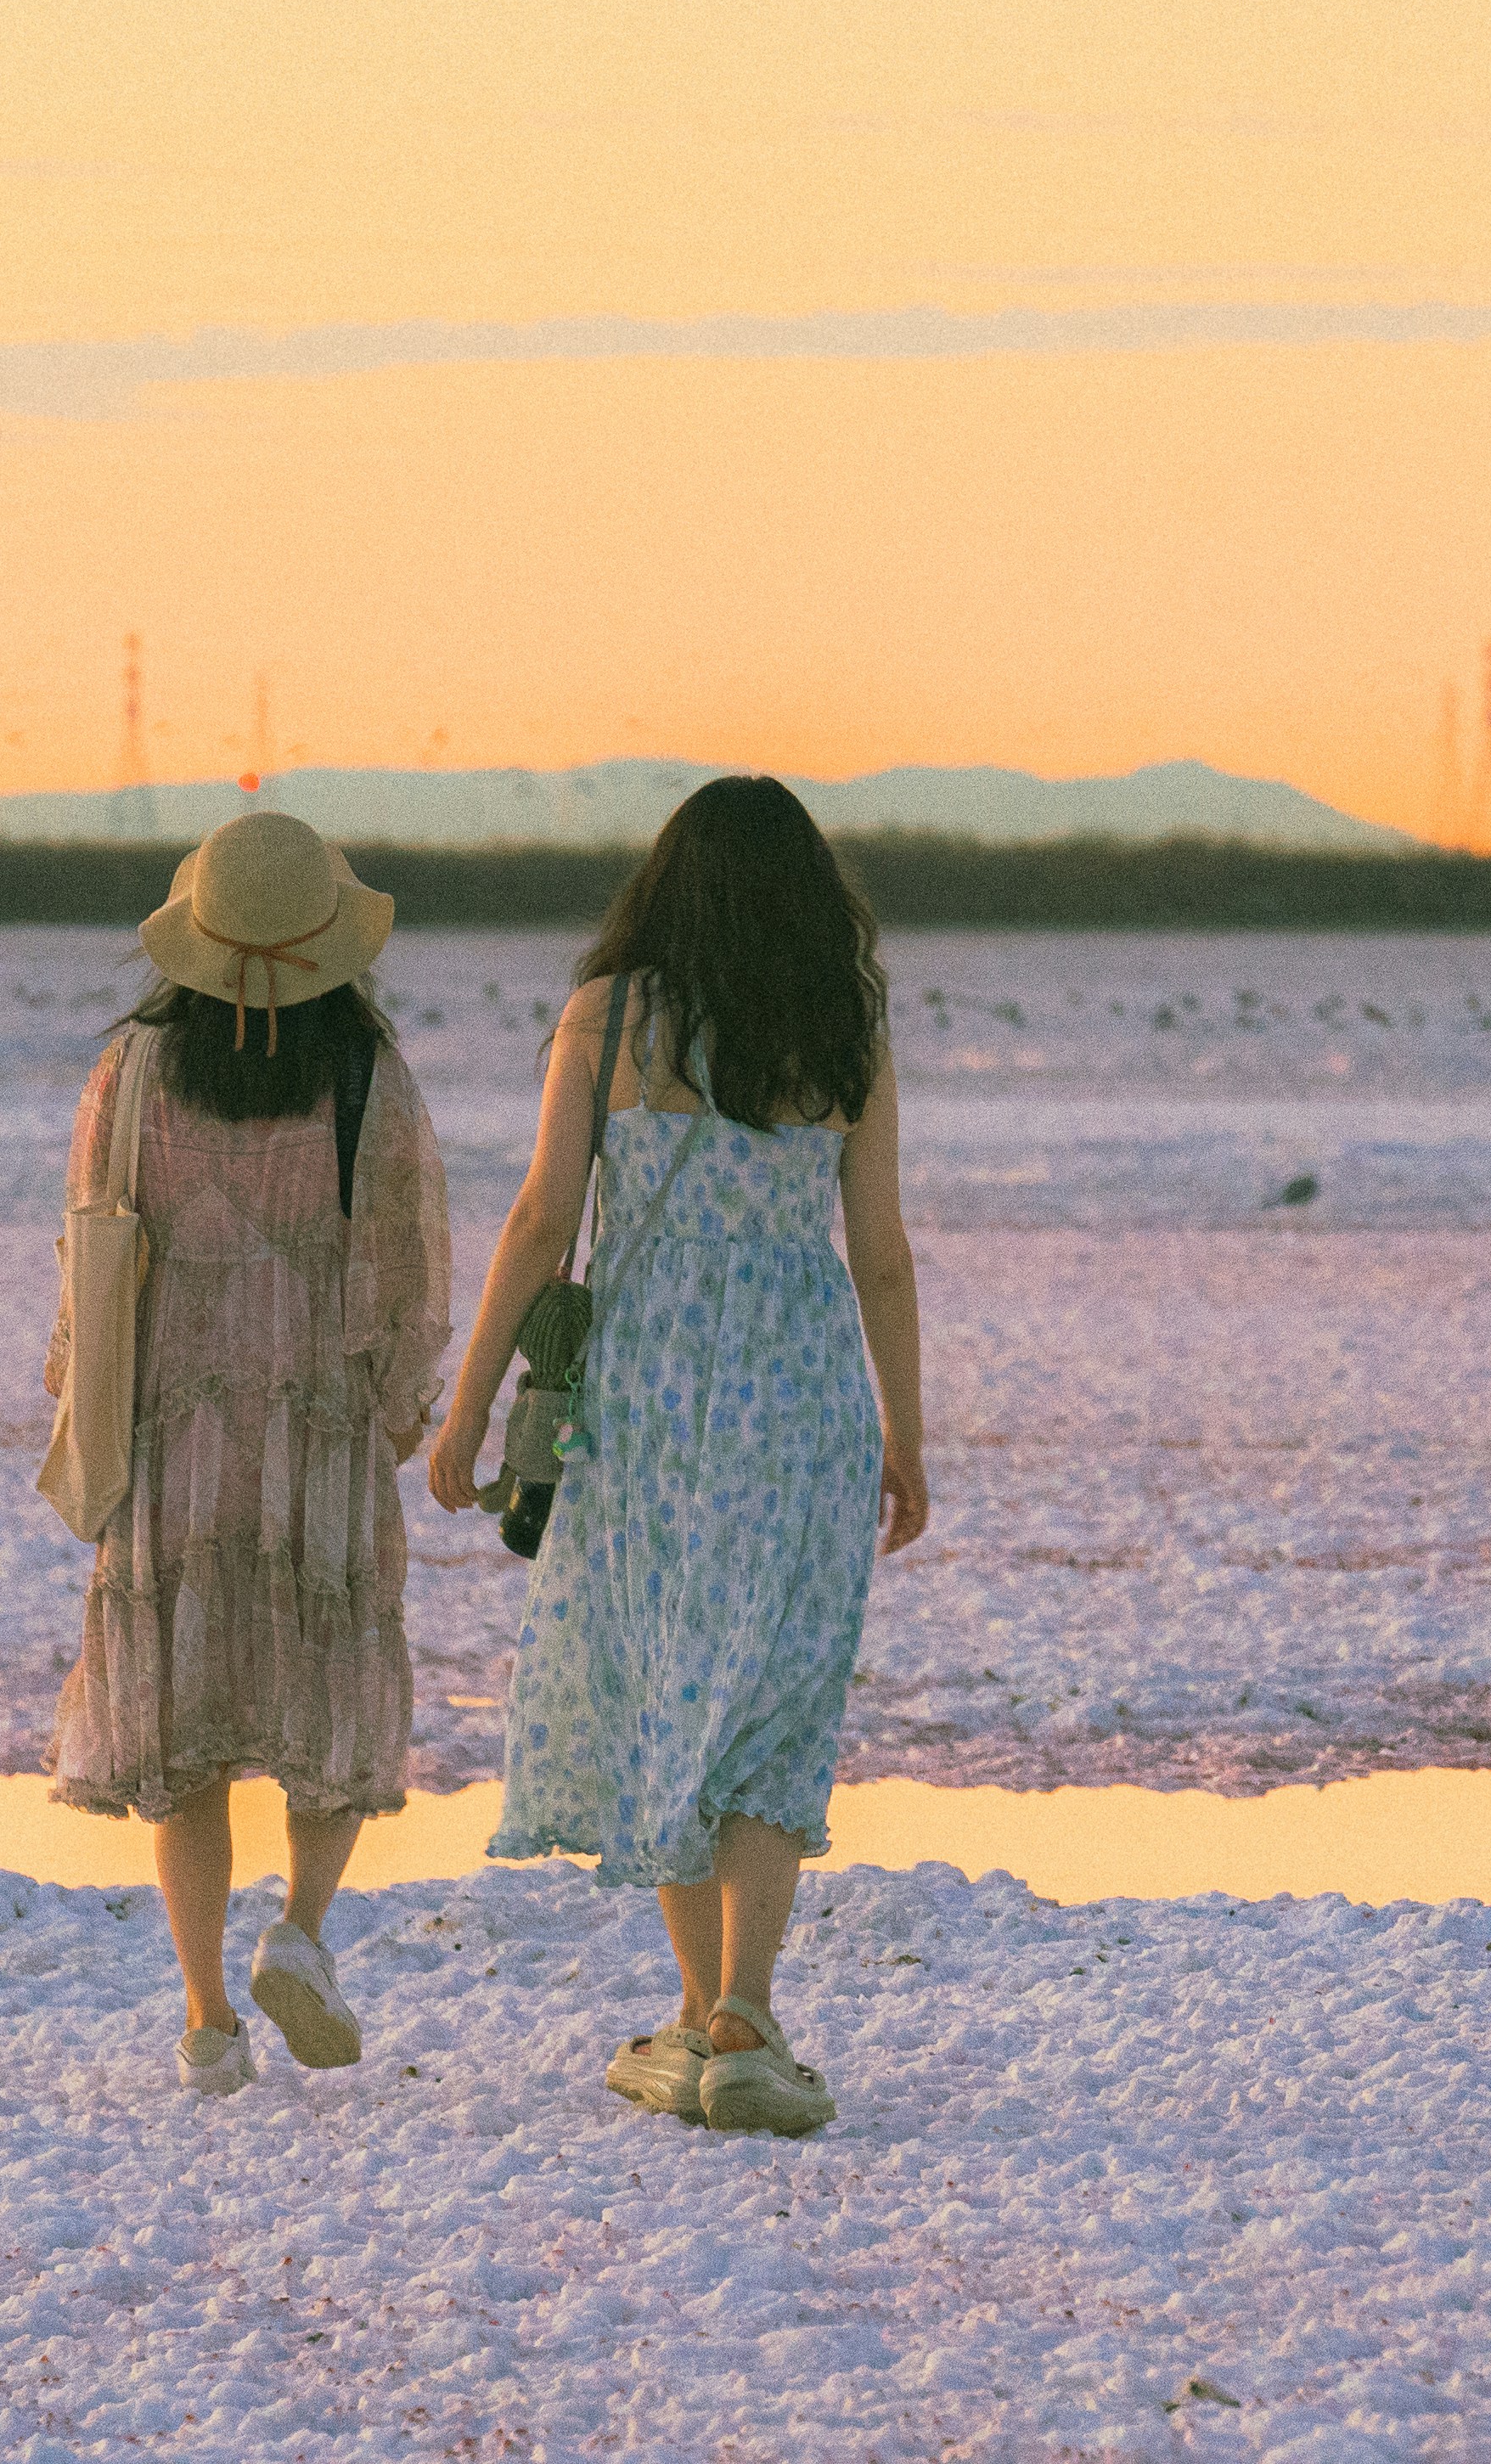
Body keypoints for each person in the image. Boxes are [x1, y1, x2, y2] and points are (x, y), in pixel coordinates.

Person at [428, 775, 929, 2138]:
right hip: (803, 1393)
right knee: (772, 1698)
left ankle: (705, 2012)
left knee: (662, 1681)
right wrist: (905, 1433)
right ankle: (741, 2013)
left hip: (647, 1398)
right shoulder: (843, 1025)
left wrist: (467, 1410)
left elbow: (543, 1220)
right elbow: (881, 1255)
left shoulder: (609, 1017)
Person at [48, 810, 451, 2095]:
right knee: (326, 1691)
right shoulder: (366, 1075)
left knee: (184, 1731)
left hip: (172, 1428)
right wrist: (401, 1403)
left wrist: (78, 1391)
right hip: (315, 1426)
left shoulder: (132, 1073)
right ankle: (302, 1932)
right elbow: (410, 1263)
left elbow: (89, 1245)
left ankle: (209, 2018)